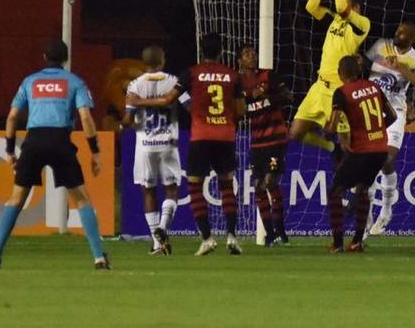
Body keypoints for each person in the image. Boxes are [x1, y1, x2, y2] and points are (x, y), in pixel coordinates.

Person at [0, 40, 109, 269]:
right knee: (81, 199)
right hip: (60, 141)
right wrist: (95, 151)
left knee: (16, 199)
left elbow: (12, 117)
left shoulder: (30, 82)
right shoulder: (75, 82)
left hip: (33, 141)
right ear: (66, 59)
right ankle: (99, 257)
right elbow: (85, 118)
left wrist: (10, 149)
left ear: (44, 57)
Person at [130, 32, 246, 257]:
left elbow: (167, 100)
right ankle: (231, 236)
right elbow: (240, 110)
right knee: (226, 186)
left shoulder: (192, 73)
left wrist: (139, 102)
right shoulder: (233, 75)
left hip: (201, 136)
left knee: (194, 187)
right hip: (225, 136)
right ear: (222, 51)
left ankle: (207, 238)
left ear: (202, 51)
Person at [289, 0, 371, 155]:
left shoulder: (362, 25)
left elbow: (342, 7)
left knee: (347, 146)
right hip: (318, 87)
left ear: (357, 8)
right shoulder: (333, 20)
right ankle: (330, 148)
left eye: (345, 0)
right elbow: (310, 7)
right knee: (294, 134)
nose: (339, 3)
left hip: (339, 91)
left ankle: (353, 181)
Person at [326, 56, 397, 252]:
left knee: (335, 192)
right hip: (381, 150)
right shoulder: (374, 87)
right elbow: (392, 116)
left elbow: (332, 128)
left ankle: (337, 242)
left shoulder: (341, 92)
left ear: (341, 74)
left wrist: (325, 130)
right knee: (363, 189)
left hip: (361, 151)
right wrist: (376, 132)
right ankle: (357, 241)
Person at [365, 23, 415, 236]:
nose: (396, 34)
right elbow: (364, 65)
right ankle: (366, 217)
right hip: (371, 110)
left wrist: (401, 68)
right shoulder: (381, 45)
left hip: (396, 111)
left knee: (386, 160)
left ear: (411, 38)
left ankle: (386, 211)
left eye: (402, 32)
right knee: (367, 164)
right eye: (397, 30)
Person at [122, 45, 182, 256]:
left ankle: (157, 243)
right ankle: (163, 229)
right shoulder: (174, 81)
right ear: (162, 60)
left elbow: (128, 120)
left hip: (145, 144)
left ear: (143, 62)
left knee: (148, 191)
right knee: (171, 189)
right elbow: (188, 105)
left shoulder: (134, 86)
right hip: (168, 143)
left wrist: (125, 121)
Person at [239, 45, 293, 247]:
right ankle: (270, 234)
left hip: (276, 137)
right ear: (240, 61)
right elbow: (240, 111)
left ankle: (281, 231)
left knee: (270, 182)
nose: (251, 56)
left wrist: (266, 99)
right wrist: (252, 102)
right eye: (246, 54)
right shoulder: (239, 83)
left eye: (253, 53)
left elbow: (288, 97)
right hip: (257, 141)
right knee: (258, 186)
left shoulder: (269, 76)